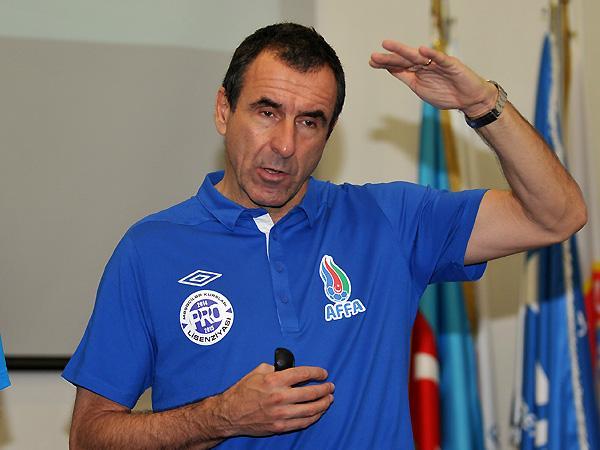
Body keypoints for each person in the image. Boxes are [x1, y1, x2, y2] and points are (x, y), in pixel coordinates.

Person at [63, 23, 586, 449]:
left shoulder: (390, 219)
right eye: (267, 112)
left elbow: (556, 216)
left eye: (309, 122)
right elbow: (89, 437)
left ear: (328, 134)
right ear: (224, 109)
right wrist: (220, 417)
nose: (285, 145)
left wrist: (483, 105)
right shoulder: (150, 248)